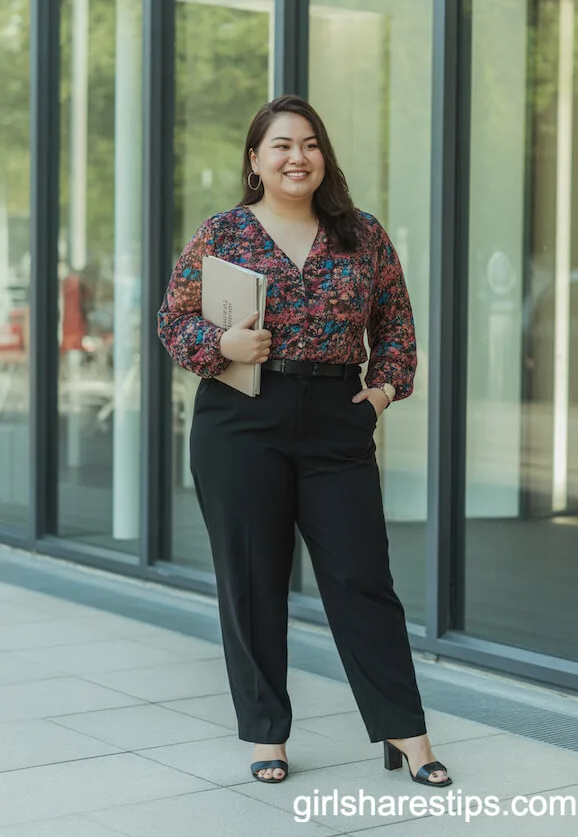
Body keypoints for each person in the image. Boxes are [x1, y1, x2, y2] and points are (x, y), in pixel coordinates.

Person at [157, 95, 453, 788]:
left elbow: (398, 329)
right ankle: (267, 733)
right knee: (253, 579)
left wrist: (380, 394)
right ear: (255, 161)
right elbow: (174, 322)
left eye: (311, 144)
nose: (298, 156)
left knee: (360, 579)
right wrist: (221, 342)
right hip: (239, 416)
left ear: (324, 158)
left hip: (334, 411)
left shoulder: (361, 234)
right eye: (282, 145)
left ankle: (405, 731)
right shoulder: (223, 233)